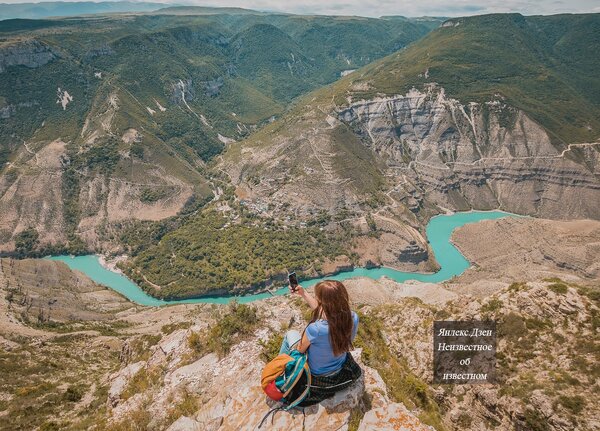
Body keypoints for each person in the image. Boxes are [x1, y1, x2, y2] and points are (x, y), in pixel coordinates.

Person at [280, 279, 359, 376]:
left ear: (323, 302)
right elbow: (325, 313)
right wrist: (303, 293)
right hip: (339, 366)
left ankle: (280, 369)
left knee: (291, 334)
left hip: (318, 373)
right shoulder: (353, 318)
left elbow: (300, 350)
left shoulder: (316, 329)